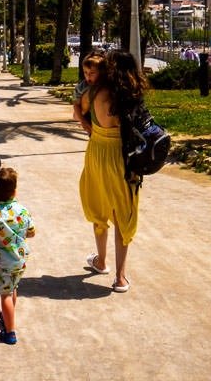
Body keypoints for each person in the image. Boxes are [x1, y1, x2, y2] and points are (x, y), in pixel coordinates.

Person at [78, 50, 145, 293]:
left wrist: (90, 128)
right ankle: (120, 277)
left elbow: (78, 110)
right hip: (122, 156)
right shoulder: (130, 94)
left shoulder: (93, 92)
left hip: (97, 151)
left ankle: (101, 261)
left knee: (98, 206)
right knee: (122, 213)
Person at [0, 166, 36, 346]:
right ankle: (7, 316)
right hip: (20, 260)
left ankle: (10, 333)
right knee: (12, 288)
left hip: (1, 262)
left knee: (6, 295)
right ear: (15, 190)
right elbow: (32, 232)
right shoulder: (22, 210)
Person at [72, 49, 106, 136]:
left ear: (101, 72)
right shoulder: (82, 87)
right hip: (89, 118)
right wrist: (83, 121)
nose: (88, 76)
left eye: (92, 73)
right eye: (85, 72)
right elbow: (76, 104)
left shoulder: (106, 85)